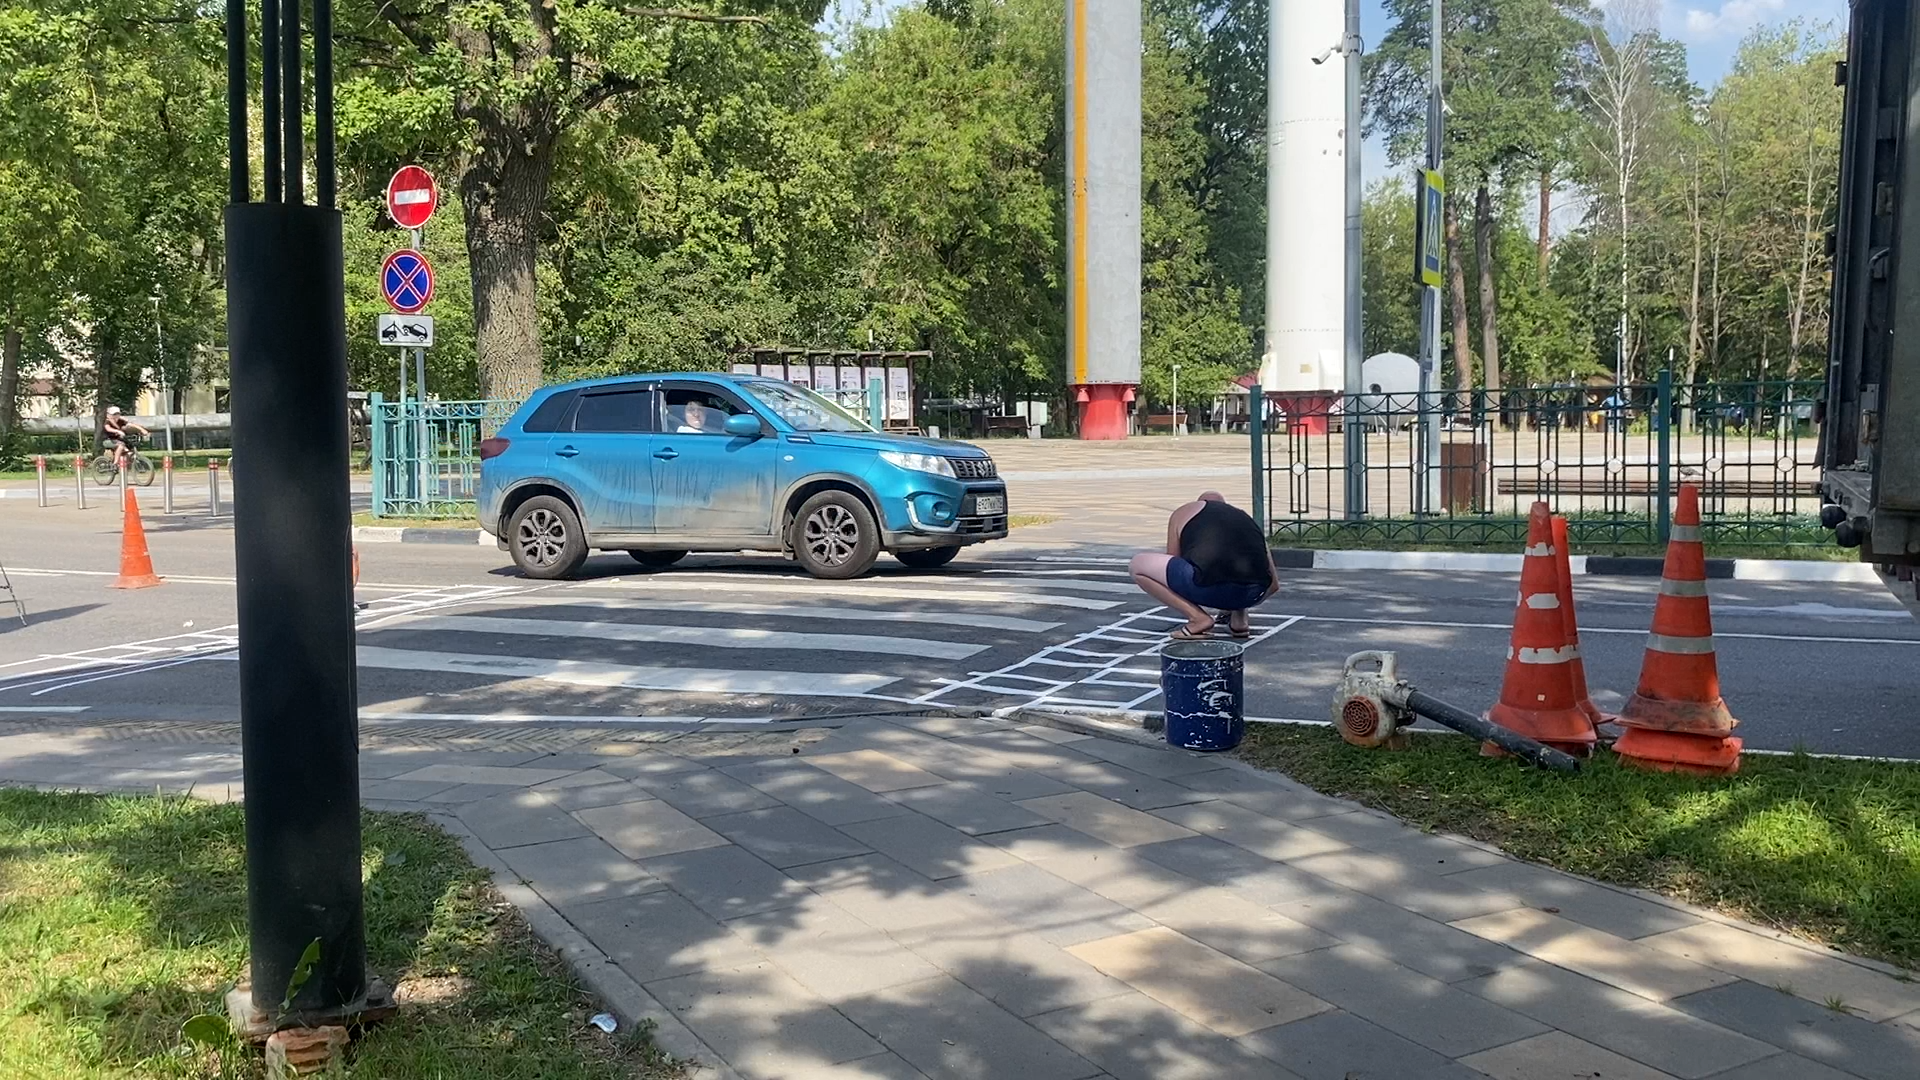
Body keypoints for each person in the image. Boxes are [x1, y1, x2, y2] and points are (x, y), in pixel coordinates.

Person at [1129, 491, 1279, 639]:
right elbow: (1274, 585)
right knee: (1237, 569)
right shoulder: (1245, 520)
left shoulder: (1184, 511)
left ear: (1200, 503)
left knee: (1138, 565)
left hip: (1206, 588)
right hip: (1252, 594)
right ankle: (1239, 619)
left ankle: (1197, 618)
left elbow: (1173, 561)